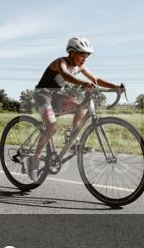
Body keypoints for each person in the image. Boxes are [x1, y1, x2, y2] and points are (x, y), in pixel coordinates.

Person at [28, 37, 123, 180]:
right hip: (42, 95)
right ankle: (34, 159)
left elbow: (95, 79)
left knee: (82, 106)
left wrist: (115, 87)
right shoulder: (60, 62)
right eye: (82, 54)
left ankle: (73, 140)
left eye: (88, 55)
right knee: (52, 127)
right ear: (72, 53)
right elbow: (65, 75)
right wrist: (84, 84)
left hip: (56, 96)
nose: (85, 58)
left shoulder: (80, 66)